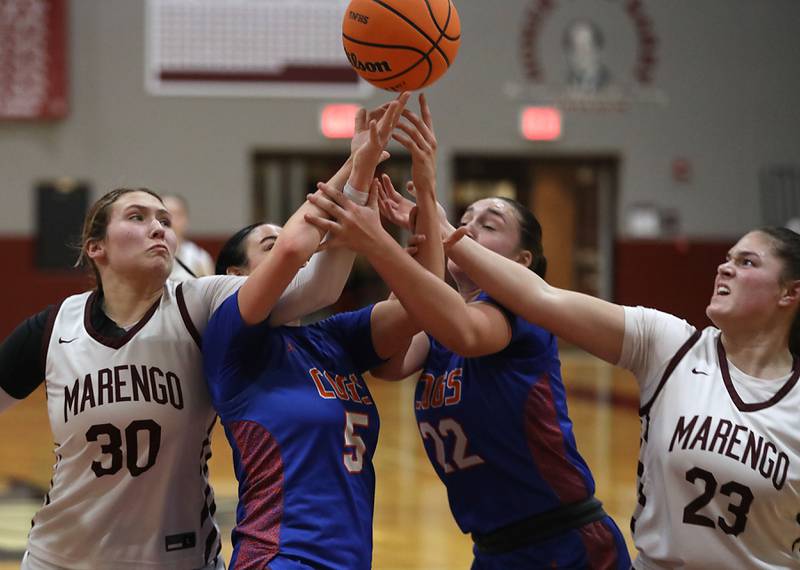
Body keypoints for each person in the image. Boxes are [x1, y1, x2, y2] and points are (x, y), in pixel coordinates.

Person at [0, 99, 399, 570]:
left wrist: (358, 172)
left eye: (164, 222)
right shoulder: (52, 329)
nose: (159, 229)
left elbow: (317, 283)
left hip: (179, 556)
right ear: (96, 247)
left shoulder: (201, 302)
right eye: (137, 218)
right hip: (62, 557)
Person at [304, 95, 631, 569]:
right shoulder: (440, 321)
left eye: (489, 224)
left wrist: (421, 196)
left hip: (564, 544)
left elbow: (466, 333)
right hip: (493, 551)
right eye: (464, 219)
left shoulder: (520, 311)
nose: (467, 229)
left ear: (521, 262)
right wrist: (411, 237)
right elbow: (392, 361)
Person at [431, 224, 800, 569]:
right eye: (727, 258)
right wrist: (446, 231)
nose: (725, 268)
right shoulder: (671, 346)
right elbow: (539, 296)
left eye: (746, 262)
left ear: (790, 292)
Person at [202, 92, 442, 569]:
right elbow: (295, 250)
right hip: (280, 558)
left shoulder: (331, 340)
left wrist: (426, 192)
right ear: (233, 276)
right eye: (266, 245)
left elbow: (423, 305)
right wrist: (358, 165)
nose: (299, 246)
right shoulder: (230, 338)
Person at [163, 193, 216, 280]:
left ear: (186, 220)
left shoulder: (199, 257)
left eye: (176, 214)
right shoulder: (146, 256)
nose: (171, 220)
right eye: (164, 215)